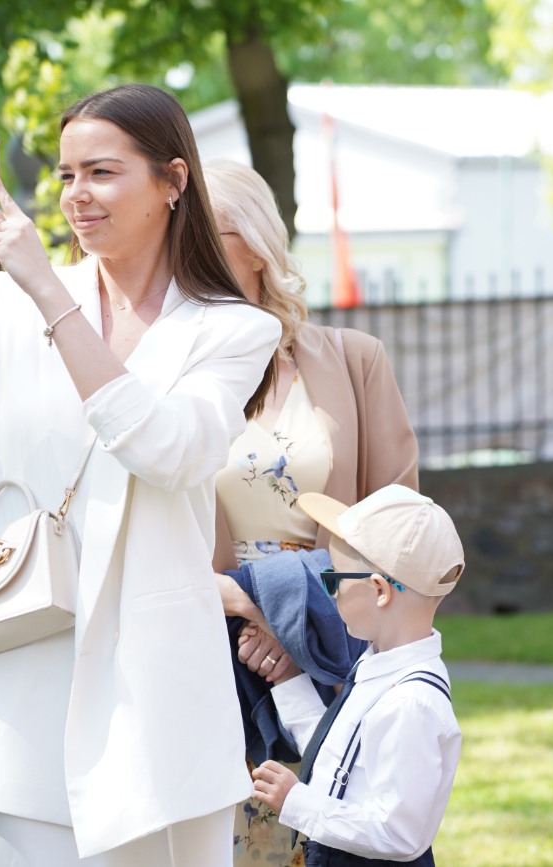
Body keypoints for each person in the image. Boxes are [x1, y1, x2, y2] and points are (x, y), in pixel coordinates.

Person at [0, 84, 281, 866]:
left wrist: (46, 285)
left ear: (173, 180)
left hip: (157, 706)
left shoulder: (234, 329)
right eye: (66, 175)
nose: (77, 197)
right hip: (17, 685)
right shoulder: (8, 309)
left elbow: (165, 448)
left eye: (102, 173)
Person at [200, 159, 421, 866]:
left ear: (259, 245)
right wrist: (242, 615)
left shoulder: (354, 361)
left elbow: (400, 530)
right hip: (216, 649)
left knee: (339, 842)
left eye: (207, 230)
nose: (187, 249)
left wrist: (280, 612)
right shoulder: (169, 376)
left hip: (336, 644)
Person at [249, 485, 463, 866]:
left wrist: (298, 802)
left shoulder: (410, 703)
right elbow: (338, 759)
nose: (331, 594)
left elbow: (399, 833)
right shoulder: (376, 666)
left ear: (380, 590)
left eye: (336, 580)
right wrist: (288, 679)